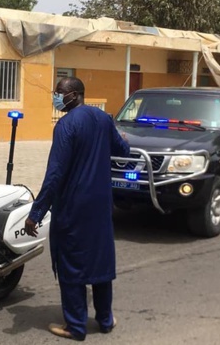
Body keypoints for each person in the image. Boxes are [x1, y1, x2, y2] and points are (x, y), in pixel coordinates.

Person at [24, 76, 130, 341]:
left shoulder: (65, 126)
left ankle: (75, 326)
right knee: (100, 263)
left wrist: (36, 213)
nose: (56, 96)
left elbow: (55, 174)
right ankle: (105, 320)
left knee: (72, 266)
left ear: (75, 94)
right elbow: (123, 150)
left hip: (73, 208)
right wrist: (123, 138)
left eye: (60, 92)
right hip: (101, 207)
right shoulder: (103, 119)